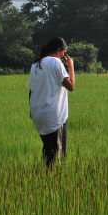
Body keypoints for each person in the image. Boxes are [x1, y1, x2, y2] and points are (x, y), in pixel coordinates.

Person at [28, 37, 75, 167]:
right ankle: (54, 181)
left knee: (48, 151)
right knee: (57, 155)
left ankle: (45, 179)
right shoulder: (56, 62)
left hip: (38, 114)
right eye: (64, 53)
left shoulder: (36, 65)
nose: (64, 56)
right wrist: (70, 65)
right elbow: (71, 86)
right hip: (54, 116)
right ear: (58, 51)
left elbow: (31, 91)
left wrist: (31, 110)